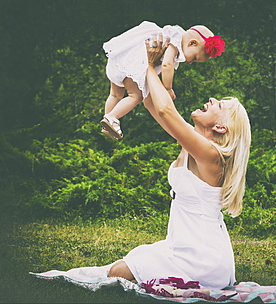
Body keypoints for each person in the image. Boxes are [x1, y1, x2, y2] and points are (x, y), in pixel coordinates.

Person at [107, 34, 251, 290]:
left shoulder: (212, 156)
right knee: (118, 270)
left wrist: (150, 66)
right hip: (184, 248)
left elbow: (166, 111)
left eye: (217, 104)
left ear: (220, 127)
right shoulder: (194, 144)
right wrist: (147, 68)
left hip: (202, 260)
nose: (210, 100)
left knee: (117, 272)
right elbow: (154, 105)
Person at [100, 21, 225, 140]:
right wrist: (168, 88)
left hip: (118, 59)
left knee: (115, 95)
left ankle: (107, 121)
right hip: (134, 63)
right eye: (195, 58)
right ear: (192, 43)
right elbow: (166, 65)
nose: (191, 62)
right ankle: (112, 117)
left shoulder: (171, 33)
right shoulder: (176, 40)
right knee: (135, 96)